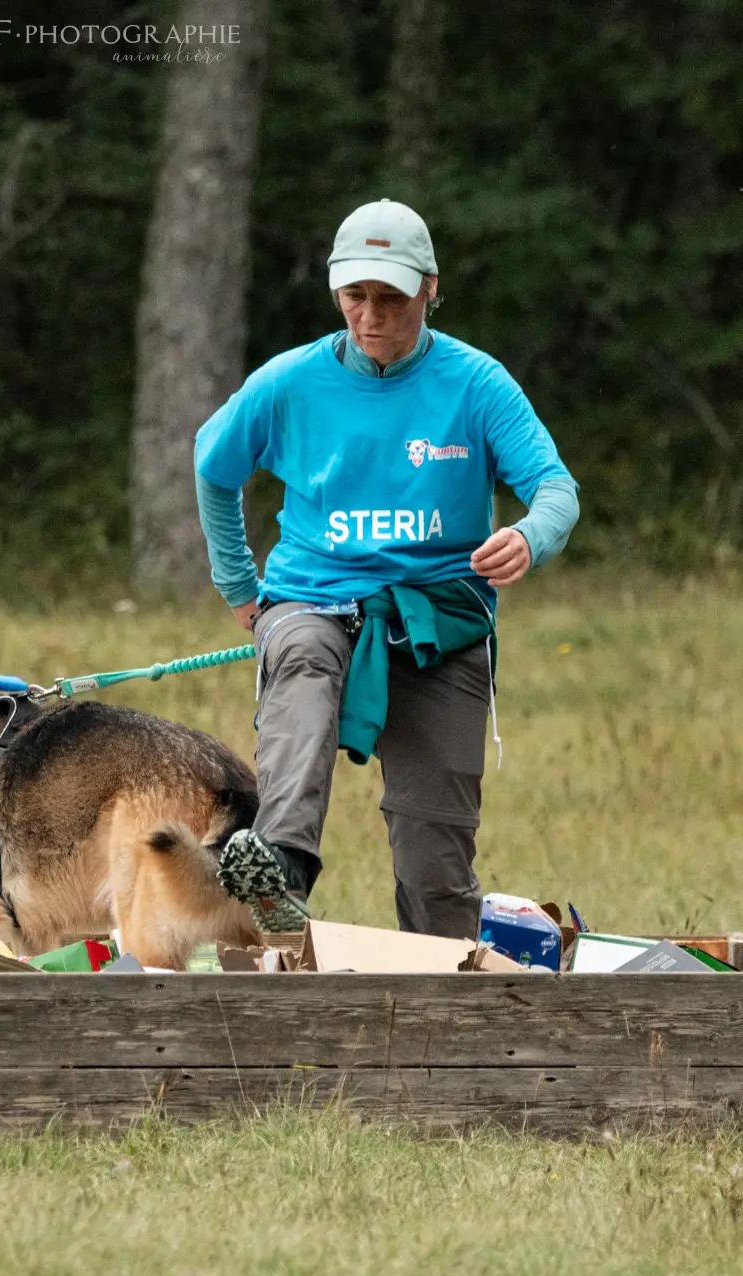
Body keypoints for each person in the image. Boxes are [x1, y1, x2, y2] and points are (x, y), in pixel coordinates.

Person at [193, 198, 579, 939]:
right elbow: (215, 466)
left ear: (431, 288)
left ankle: (443, 984)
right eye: (354, 297)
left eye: (391, 299)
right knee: (302, 652)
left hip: (438, 619)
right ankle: (282, 868)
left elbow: (556, 487)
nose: (370, 317)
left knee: (436, 860)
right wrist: (240, 586)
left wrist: (531, 536)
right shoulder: (289, 382)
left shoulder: (477, 384)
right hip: (315, 599)